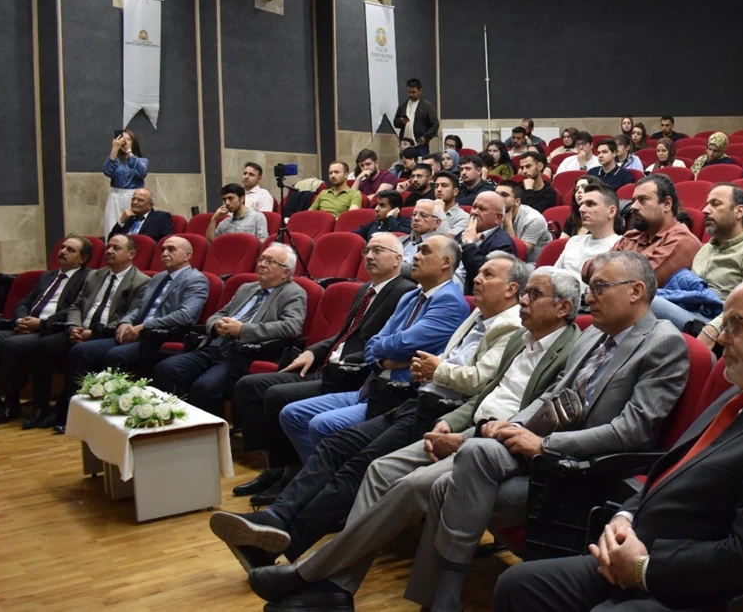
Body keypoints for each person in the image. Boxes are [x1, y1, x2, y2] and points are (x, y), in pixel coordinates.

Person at [244, 253, 691, 612]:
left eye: (599, 288)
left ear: (636, 291)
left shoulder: (662, 343)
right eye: (590, 288)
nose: (591, 298)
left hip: (575, 470)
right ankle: (348, 587)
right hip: (520, 449)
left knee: (439, 484)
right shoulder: (596, 337)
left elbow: (633, 429)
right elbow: (551, 395)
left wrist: (543, 443)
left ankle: (321, 578)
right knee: (411, 472)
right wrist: (512, 427)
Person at [495, 277, 743, 612]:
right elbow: (671, 469)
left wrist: (644, 569)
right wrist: (624, 518)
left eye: (736, 324)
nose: (721, 337)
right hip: (648, 548)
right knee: (521, 585)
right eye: (723, 324)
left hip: (706, 589)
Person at [212, 254, 530, 568]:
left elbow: (481, 382)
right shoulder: (476, 316)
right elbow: (382, 345)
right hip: (416, 402)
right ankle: (276, 516)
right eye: (480, 272)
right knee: (336, 444)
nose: (476, 277)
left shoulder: (511, 326)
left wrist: (437, 370)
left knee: (359, 466)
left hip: (444, 414)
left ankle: (283, 542)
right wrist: (429, 370)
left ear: (511, 289)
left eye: (488, 275)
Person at [229, 233, 415, 504]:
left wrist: (341, 360)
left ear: (398, 258)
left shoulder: (404, 291)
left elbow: (383, 346)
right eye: (366, 251)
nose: (369, 256)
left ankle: (292, 474)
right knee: (249, 386)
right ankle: (275, 466)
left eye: (377, 250)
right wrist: (312, 351)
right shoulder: (366, 289)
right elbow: (344, 334)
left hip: (352, 372)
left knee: (277, 396)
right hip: (329, 363)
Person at [280, 235, 471, 461]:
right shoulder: (411, 296)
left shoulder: (450, 301)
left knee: (321, 425)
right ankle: (316, 478)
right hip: (373, 386)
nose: (416, 256)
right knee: (291, 414)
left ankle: (326, 483)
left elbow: (403, 345)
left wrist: (385, 350)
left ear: (446, 262)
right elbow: (373, 344)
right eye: (418, 250)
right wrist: (384, 358)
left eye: (425, 251)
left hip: (398, 395)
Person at [150, 244, 306, 416]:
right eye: (261, 259)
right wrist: (216, 324)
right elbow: (217, 315)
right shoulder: (247, 288)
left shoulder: (293, 293)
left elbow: (291, 327)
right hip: (213, 346)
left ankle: (206, 434)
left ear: (286, 272)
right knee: (166, 369)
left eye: (270, 261)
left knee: (205, 387)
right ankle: (176, 421)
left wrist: (242, 330)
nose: (262, 264)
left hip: (240, 354)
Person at [61, 236, 209, 408]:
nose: (164, 253)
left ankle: (116, 410)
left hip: (159, 337)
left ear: (187, 255)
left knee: (116, 355)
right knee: (81, 351)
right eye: (162, 250)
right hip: (137, 332)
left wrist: (144, 326)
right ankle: (72, 410)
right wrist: (125, 322)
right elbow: (140, 308)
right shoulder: (158, 277)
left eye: (171, 249)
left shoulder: (196, 279)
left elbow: (185, 316)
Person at [19, 235, 149, 430]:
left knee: (79, 353)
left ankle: (66, 413)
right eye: (108, 247)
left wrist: (92, 334)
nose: (109, 251)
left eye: (116, 248)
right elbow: (76, 306)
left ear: (131, 254)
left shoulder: (141, 282)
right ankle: (41, 407)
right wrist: (73, 327)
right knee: (44, 346)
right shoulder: (95, 275)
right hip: (79, 330)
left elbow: (129, 317)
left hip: (105, 334)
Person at [0, 235, 93, 425]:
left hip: (52, 330)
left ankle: (11, 403)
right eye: (63, 247)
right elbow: (25, 302)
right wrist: (21, 319)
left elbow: (74, 309)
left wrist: (41, 323)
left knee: (12, 345)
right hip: (27, 327)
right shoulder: (48, 276)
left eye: (71, 250)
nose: (63, 252)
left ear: (82, 259)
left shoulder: (88, 278)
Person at [650, 184, 743, 334]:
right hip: (690, 308)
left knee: (642, 302)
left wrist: (713, 329)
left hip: (717, 323)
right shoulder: (706, 248)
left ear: (739, 211)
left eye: (715, 204)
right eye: (706, 204)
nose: (705, 210)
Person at [613, 175, 703, 287]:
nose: (633, 207)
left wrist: (610, 269)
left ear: (666, 204)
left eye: (643, 200)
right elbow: (590, 269)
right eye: (634, 200)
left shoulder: (683, 241)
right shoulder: (630, 237)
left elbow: (637, 284)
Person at [556, 184, 623, 290]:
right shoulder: (573, 241)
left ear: (611, 211)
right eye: (581, 204)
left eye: (590, 204)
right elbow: (553, 277)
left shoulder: (621, 246)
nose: (581, 209)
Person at [456, 192, 517, 295]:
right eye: (474, 207)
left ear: (497, 218)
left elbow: (485, 276)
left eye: (482, 209)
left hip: (468, 297)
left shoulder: (503, 245)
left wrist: (468, 244)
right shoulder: (465, 233)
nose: (474, 212)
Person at [102, 129, 148, 235]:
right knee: (113, 227)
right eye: (122, 139)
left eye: (128, 139)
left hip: (133, 197)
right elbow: (107, 171)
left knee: (132, 230)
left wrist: (129, 152)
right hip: (116, 197)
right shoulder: (115, 160)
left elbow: (142, 172)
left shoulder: (141, 160)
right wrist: (114, 150)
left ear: (134, 142)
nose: (125, 141)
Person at [496, 180, 552, 263]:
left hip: (532, 264)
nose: (498, 199)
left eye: (504, 195)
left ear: (517, 201)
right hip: (504, 259)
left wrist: (507, 224)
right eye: (496, 194)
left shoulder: (534, 219)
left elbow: (518, 253)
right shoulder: (496, 212)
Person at [107, 187, 175, 240]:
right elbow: (111, 240)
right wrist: (121, 222)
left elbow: (165, 241)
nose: (135, 202)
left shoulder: (161, 217)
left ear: (150, 205)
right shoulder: (128, 217)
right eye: (133, 199)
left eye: (140, 200)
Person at [399, 199, 443, 274]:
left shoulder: (440, 246)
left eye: (423, 215)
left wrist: (390, 265)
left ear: (436, 222)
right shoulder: (399, 240)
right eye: (414, 214)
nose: (416, 218)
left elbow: (422, 271)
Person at [393, 77, 438, 148]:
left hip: (420, 144)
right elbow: (395, 123)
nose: (411, 95)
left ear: (420, 91)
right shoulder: (403, 106)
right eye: (409, 92)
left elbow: (435, 124)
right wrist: (401, 121)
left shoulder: (427, 106)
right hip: (405, 144)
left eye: (413, 92)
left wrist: (426, 137)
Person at [431, 171, 470, 236]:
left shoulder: (464, 217)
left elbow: (449, 240)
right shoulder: (428, 211)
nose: (439, 189)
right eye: (436, 186)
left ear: (455, 191)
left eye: (444, 185)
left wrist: (440, 212)